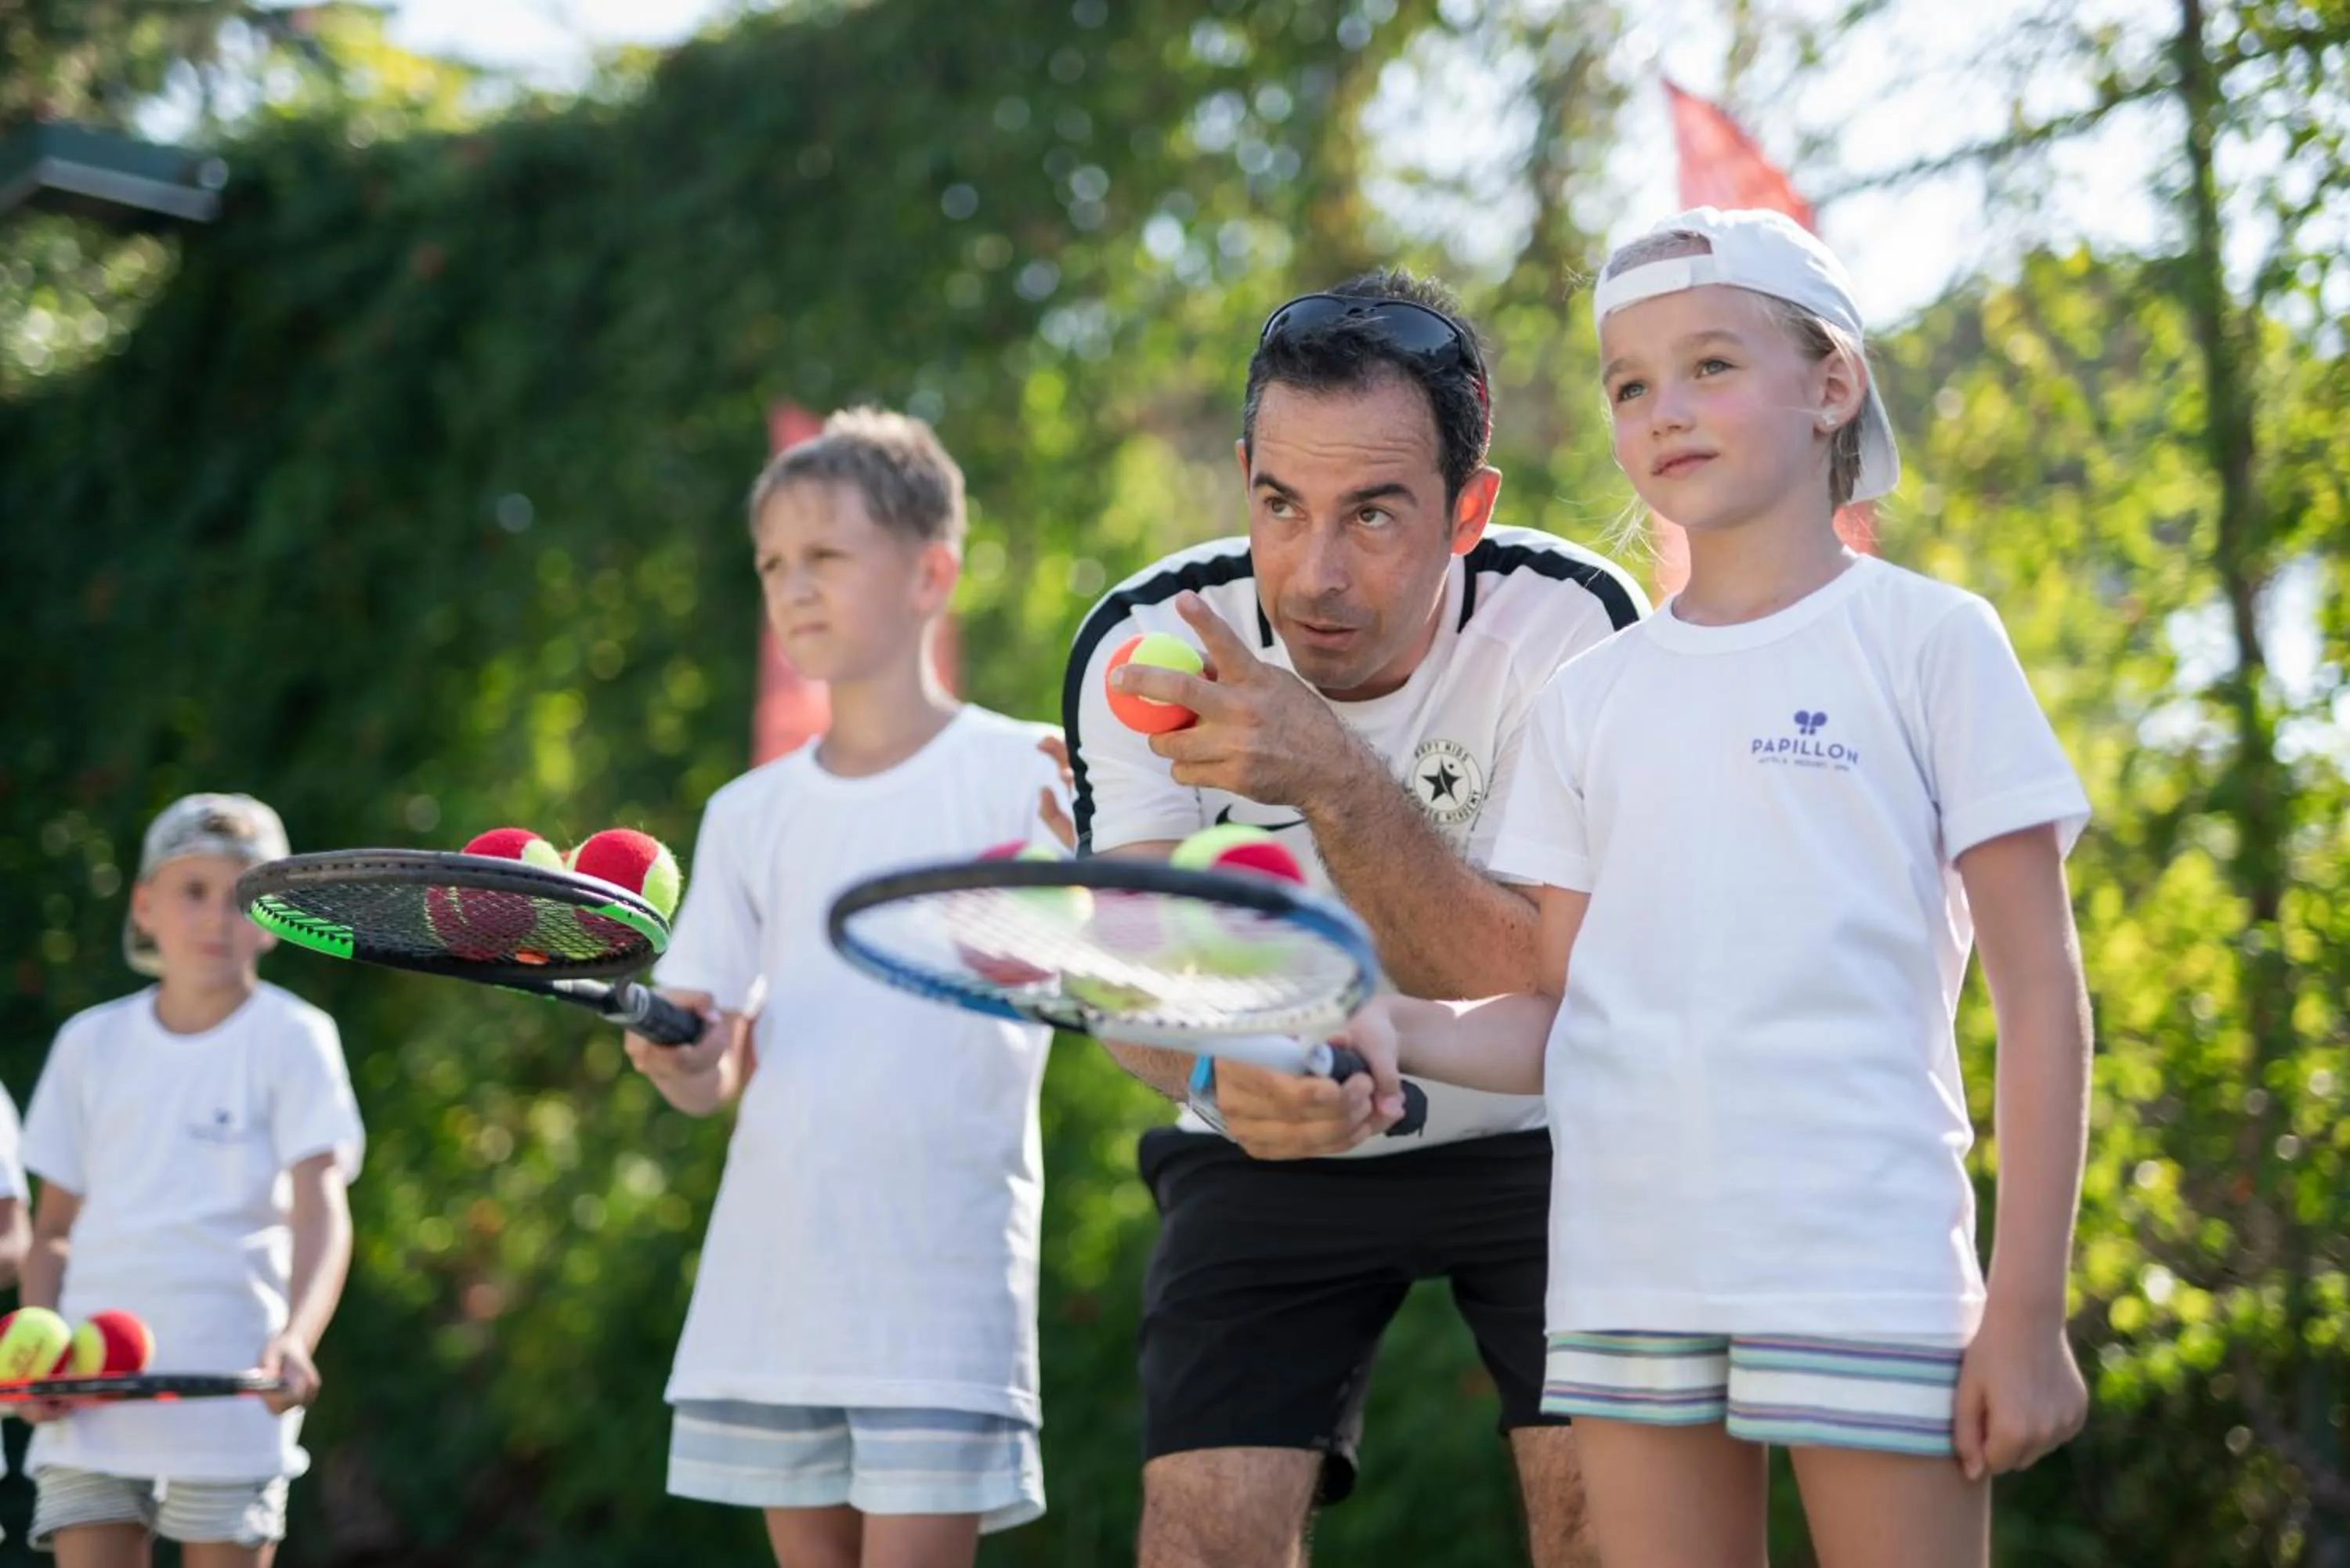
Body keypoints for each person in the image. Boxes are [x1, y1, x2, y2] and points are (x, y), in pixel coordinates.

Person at [1336, 208, 2095, 1568]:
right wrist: (1402, 1029)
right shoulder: (1589, 698)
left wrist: (2027, 1310)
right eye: (1631, 384)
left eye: (1710, 366)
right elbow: (1560, 1009)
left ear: (1832, 385)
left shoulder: (1930, 643)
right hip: (1629, 1275)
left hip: (1865, 1269)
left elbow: (2044, 996)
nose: (1664, 410)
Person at [1062, 271, 1646, 1567]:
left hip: (1552, 1133)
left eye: (1374, 513)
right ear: (1243, 476)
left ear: (1468, 508)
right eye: (1280, 504)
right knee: (1200, 1542)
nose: (1314, 574)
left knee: (1613, 1523)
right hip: (1268, 1140)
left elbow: (1563, 981)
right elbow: (1132, 977)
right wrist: (1222, 1067)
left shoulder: (1583, 632)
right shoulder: (1148, 641)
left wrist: (1330, 771)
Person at [624, 408, 1063, 1568]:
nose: (793, 584)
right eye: (773, 562)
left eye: (826, 554)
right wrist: (683, 1057)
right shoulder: (745, 813)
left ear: (932, 574)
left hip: (939, 1278)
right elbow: (706, 1073)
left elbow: (1098, 984)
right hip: (782, 1277)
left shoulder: (1029, 772)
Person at [19, 793, 363, 1567]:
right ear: (145, 906)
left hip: (236, 1395)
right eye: (193, 890)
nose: (218, 917)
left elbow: (322, 1214)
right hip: (90, 1396)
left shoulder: (297, 1038)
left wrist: (296, 1340)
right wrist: (42, 1346)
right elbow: (53, 1233)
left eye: (244, 896)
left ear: (277, 916)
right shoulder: (89, 1043)